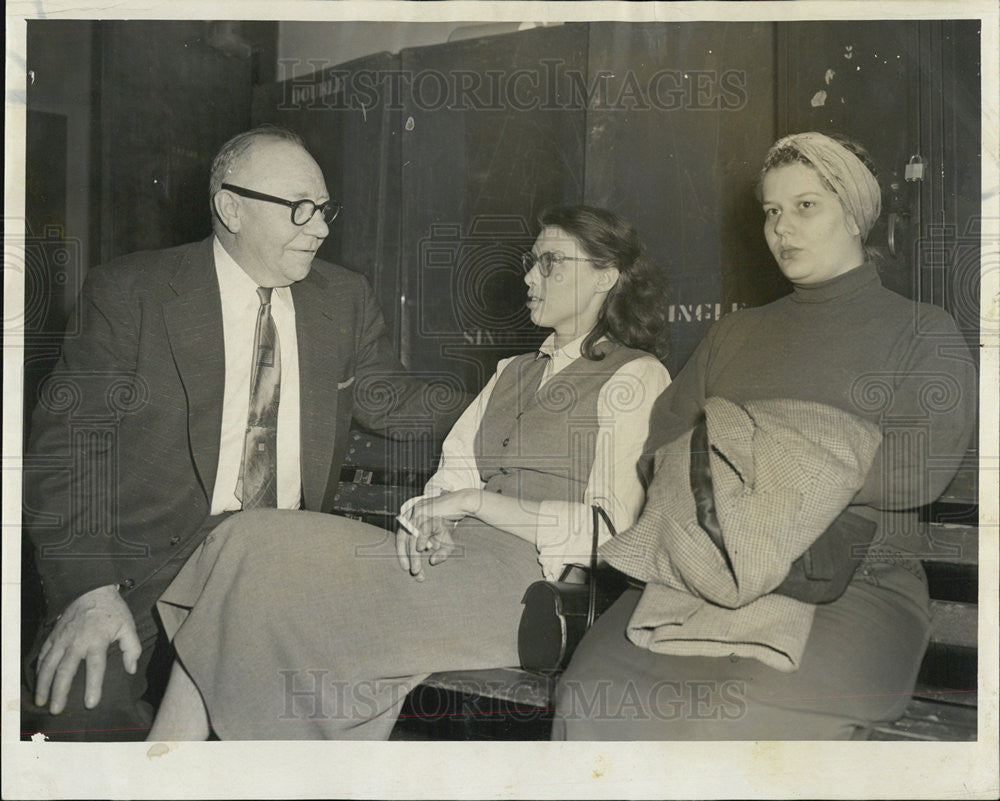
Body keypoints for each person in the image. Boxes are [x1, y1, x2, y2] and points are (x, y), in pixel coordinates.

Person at [144, 204, 672, 740]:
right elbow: (449, 483)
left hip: (528, 590)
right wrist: (430, 523)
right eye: (531, 261)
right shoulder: (511, 372)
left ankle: (175, 768)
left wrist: (474, 505)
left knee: (270, 591)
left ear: (607, 275)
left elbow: (612, 535)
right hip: (449, 564)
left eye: (551, 262)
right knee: (246, 538)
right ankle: (168, 766)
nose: (531, 277)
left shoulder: (636, 376)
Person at [21, 125, 462, 741]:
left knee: (285, 733)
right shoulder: (133, 293)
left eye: (325, 210)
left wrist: (521, 392)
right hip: (146, 566)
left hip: (280, 565)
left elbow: (395, 401)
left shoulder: (342, 298)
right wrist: (90, 591)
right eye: (301, 210)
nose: (322, 229)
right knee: (80, 719)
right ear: (231, 207)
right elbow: (66, 455)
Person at [552, 132, 977, 740]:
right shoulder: (734, 334)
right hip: (702, 572)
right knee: (590, 693)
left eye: (807, 206)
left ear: (856, 216)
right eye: (772, 212)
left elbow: (919, 465)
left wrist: (745, 449)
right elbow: (662, 449)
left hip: (847, 585)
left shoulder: (919, 330)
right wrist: (803, 450)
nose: (782, 228)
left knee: (739, 712)